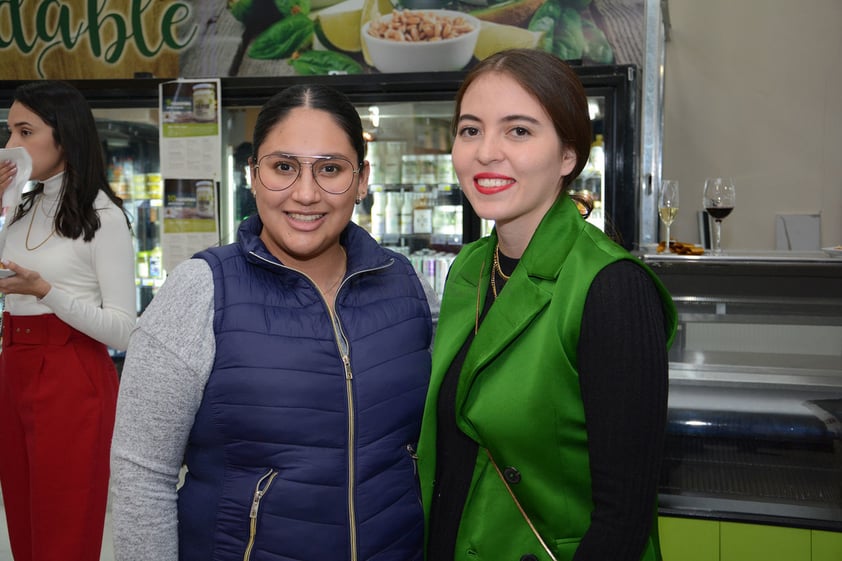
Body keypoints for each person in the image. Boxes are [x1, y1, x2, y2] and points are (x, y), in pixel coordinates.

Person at [110, 84, 436, 561]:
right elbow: (143, 475)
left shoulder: (406, 287)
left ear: (362, 179)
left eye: (330, 169)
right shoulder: (200, 291)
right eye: (284, 167)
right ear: (253, 175)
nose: (306, 194)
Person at [416, 49, 677, 561]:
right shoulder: (470, 267)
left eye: (518, 131)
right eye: (470, 130)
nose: (486, 152)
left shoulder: (613, 287)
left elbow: (623, 520)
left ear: (567, 156)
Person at [0, 80, 137, 560]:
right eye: (9, 130)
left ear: (65, 136)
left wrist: (46, 292)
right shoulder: (18, 208)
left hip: (72, 375)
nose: (11, 144)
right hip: (13, 368)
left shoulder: (105, 217)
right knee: (21, 521)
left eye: (25, 131)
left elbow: (124, 329)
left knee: (64, 528)